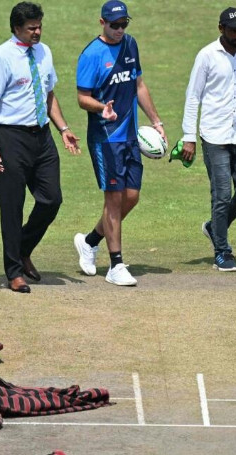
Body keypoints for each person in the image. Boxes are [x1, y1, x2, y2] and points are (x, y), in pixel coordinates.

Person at [0, 2, 81, 293]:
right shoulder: (2, 57)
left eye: (39, 26)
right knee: (11, 208)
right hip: (11, 138)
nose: (37, 32)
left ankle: (22, 248)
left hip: (43, 137)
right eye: (31, 28)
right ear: (17, 28)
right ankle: (14, 272)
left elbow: (49, 94)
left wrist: (64, 129)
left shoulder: (44, 52)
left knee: (52, 199)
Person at [73, 0, 166, 286]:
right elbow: (81, 98)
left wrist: (157, 121)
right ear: (102, 23)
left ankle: (89, 241)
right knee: (113, 199)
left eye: (124, 24)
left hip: (130, 137)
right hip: (106, 138)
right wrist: (102, 108)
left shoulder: (130, 45)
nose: (120, 30)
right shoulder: (91, 54)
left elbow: (138, 85)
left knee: (131, 197)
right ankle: (116, 265)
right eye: (115, 25)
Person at [181, 7, 236, 272]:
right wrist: (189, 137)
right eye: (232, 30)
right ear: (221, 29)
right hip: (214, 136)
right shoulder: (207, 56)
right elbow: (193, 96)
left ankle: (213, 227)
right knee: (221, 195)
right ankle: (222, 250)